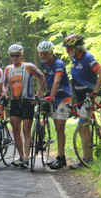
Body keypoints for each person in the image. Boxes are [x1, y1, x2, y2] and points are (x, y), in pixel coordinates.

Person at [63, 34, 101, 169]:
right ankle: (91, 156)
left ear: (77, 48)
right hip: (81, 98)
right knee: (86, 127)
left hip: (90, 97)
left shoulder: (87, 58)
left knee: (81, 127)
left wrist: (95, 93)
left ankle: (86, 159)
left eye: (69, 48)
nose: (67, 51)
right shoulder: (75, 60)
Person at [2, 43, 45, 169]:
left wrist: (38, 93)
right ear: (10, 56)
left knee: (26, 129)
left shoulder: (29, 66)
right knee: (16, 130)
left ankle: (26, 157)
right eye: (12, 55)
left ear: (21, 55)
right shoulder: (8, 69)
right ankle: (21, 157)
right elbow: (4, 83)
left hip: (28, 101)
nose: (15, 57)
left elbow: (42, 77)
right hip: (14, 101)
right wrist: (4, 93)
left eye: (17, 55)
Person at [37, 40, 72, 169]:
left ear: (51, 52)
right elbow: (47, 79)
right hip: (52, 96)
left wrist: (51, 97)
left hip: (63, 97)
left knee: (59, 126)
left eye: (46, 53)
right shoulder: (44, 64)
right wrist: (44, 93)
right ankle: (61, 158)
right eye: (41, 54)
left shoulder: (59, 63)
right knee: (55, 126)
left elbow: (57, 82)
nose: (43, 56)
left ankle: (60, 157)